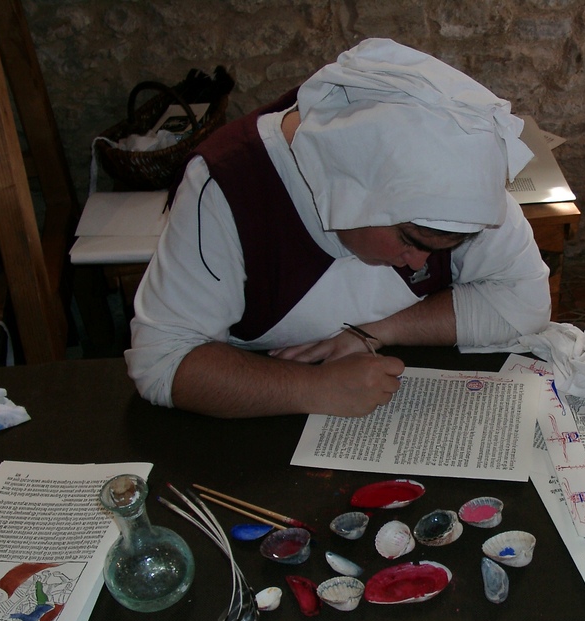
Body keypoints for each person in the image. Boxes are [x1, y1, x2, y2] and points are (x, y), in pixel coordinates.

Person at [125, 38, 551, 418]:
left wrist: (375, 332)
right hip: (262, 413)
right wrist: (314, 388)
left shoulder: (458, 176)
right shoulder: (227, 187)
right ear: (352, 189)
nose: (418, 262)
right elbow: (163, 363)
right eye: (409, 241)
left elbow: (524, 302)